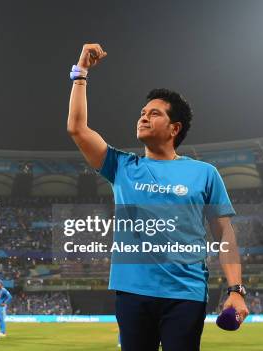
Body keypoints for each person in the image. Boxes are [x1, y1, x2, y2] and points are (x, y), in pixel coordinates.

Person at [66, 43, 249, 351]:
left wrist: (236, 289)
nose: (144, 117)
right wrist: (80, 74)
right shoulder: (121, 166)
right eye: (142, 113)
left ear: (174, 127)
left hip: (186, 293)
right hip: (132, 292)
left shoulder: (205, 173)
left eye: (154, 113)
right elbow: (77, 128)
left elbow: (224, 235)